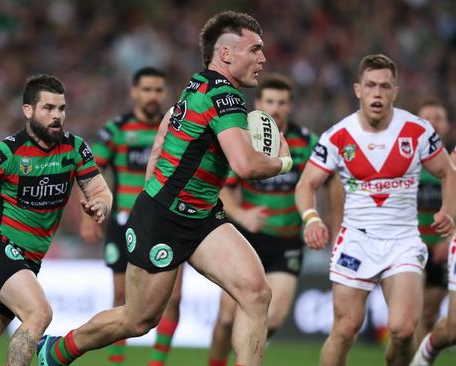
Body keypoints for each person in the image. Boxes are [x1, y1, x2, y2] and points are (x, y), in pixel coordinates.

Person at [37, 11, 292, 366]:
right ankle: (58, 350)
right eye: (255, 49)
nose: (263, 58)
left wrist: (158, 188)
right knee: (138, 319)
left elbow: (161, 140)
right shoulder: (225, 98)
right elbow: (246, 166)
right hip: (164, 220)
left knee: (255, 292)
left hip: (201, 216)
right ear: (227, 54)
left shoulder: (197, 86)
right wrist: (284, 161)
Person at [295, 54, 456, 366]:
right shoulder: (338, 136)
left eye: (384, 86)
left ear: (395, 91)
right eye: (370, 85)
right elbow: (306, 184)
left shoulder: (418, 131)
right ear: (358, 90)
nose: (377, 93)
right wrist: (311, 218)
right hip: (356, 239)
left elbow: (448, 171)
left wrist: (448, 209)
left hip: (403, 241)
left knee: (404, 329)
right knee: (345, 328)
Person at [0, 74, 112, 365]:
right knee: (39, 313)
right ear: (28, 110)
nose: (57, 116)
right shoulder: (6, 153)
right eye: (48, 108)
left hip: (28, 262)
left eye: (61, 108)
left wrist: (101, 204)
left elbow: (99, 189)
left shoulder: (74, 148)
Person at [207, 74, 320, 366]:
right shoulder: (241, 139)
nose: (276, 108)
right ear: (258, 104)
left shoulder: (307, 142)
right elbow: (224, 188)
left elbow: (326, 182)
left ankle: (244, 357)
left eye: (282, 102)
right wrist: (243, 214)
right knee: (226, 318)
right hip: (248, 239)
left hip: (287, 242)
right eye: (270, 101)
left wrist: (318, 219)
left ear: (291, 106)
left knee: (275, 317)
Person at [79, 67, 183, 366]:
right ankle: (116, 360)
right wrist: (88, 216)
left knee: (173, 297)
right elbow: (89, 172)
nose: (153, 96)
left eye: (158, 90)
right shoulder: (116, 129)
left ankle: (156, 363)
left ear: (165, 93)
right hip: (124, 221)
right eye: (147, 89)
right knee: (123, 297)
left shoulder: (177, 127)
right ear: (134, 92)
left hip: (167, 222)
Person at [410, 104, 456, 366]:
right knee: (413, 315)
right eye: (426, 118)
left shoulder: (450, 160)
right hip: (413, 246)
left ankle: (421, 357)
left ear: (447, 125)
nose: (433, 123)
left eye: (438, 117)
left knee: (429, 313)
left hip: (443, 246)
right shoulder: (408, 160)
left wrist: (451, 237)